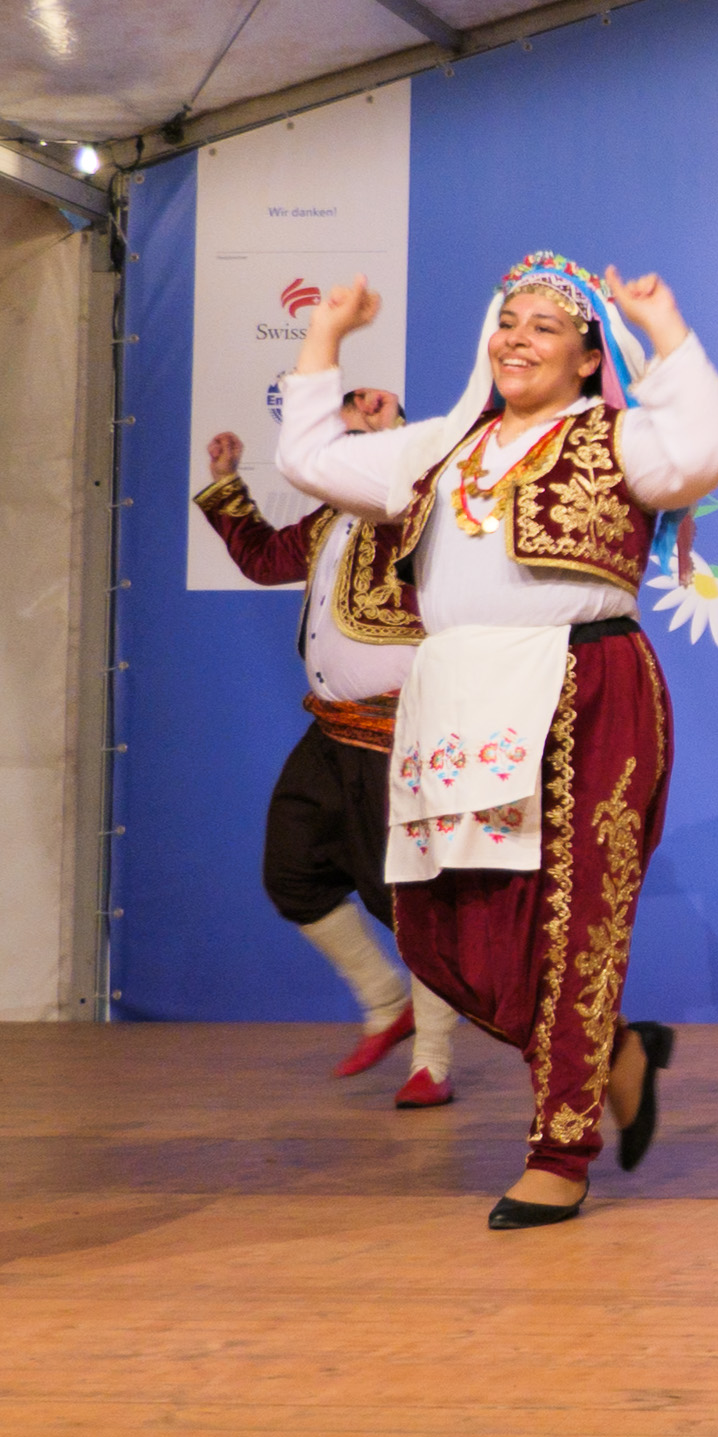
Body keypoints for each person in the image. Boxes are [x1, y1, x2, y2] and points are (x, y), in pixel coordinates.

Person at [277, 253, 718, 1227]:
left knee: (570, 923)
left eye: (543, 326)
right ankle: (615, 1051)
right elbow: (309, 462)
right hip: (456, 696)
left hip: (585, 684)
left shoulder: (620, 438)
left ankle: (559, 1149)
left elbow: (707, 447)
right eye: (508, 320)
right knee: (439, 929)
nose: (517, 338)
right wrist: (325, 334)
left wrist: (664, 328)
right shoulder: (447, 447)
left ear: (584, 357)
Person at [195, 410, 462, 1106]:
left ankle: (430, 1059)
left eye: (378, 422)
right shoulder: (326, 520)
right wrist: (226, 485)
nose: (356, 430)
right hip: (329, 732)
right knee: (291, 872)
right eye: (344, 430)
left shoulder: (419, 508)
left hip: (397, 734)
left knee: (406, 899)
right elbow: (262, 560)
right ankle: (384, 1002)